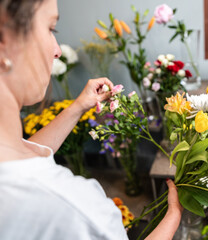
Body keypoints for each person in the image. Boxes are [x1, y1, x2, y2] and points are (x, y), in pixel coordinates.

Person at [0, 0, 182, 239]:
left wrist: (79, 106)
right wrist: (174, 216)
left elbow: (29, 153)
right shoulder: (71, 206)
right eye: (50, 28)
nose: (57, 50)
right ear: (6, 42)